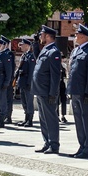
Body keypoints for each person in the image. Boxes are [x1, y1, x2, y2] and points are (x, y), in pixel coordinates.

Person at [67, 24, 88, 159]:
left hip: (83, 91)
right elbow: (72, 71)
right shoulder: (76, 51)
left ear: (83, 36)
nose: (75, 37)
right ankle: (82, 146)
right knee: (78, 120)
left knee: (87, 120)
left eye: (77, 35)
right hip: (75, 89)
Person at [33, 25, 62, 154]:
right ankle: (47, 142)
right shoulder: (45, 49)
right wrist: (35, 44)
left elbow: (55, 75)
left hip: (47, 91)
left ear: (48, 36)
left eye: (42, 34)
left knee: (50, 118)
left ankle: (54, 144)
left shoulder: (54, 51)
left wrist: (53, 93)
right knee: (43, 118)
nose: (40, 36)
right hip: (40, 90)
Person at [15, 38, 37, 127]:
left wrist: (29, 83)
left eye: (22, 45)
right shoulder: (24, 56)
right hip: (22, 82)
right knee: (24, 101)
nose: (21, 47)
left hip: (28, 82)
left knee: (29, 101)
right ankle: (26, 118)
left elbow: (31, 71)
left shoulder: (31, 56)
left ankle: (30, 120)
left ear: (27, 46)